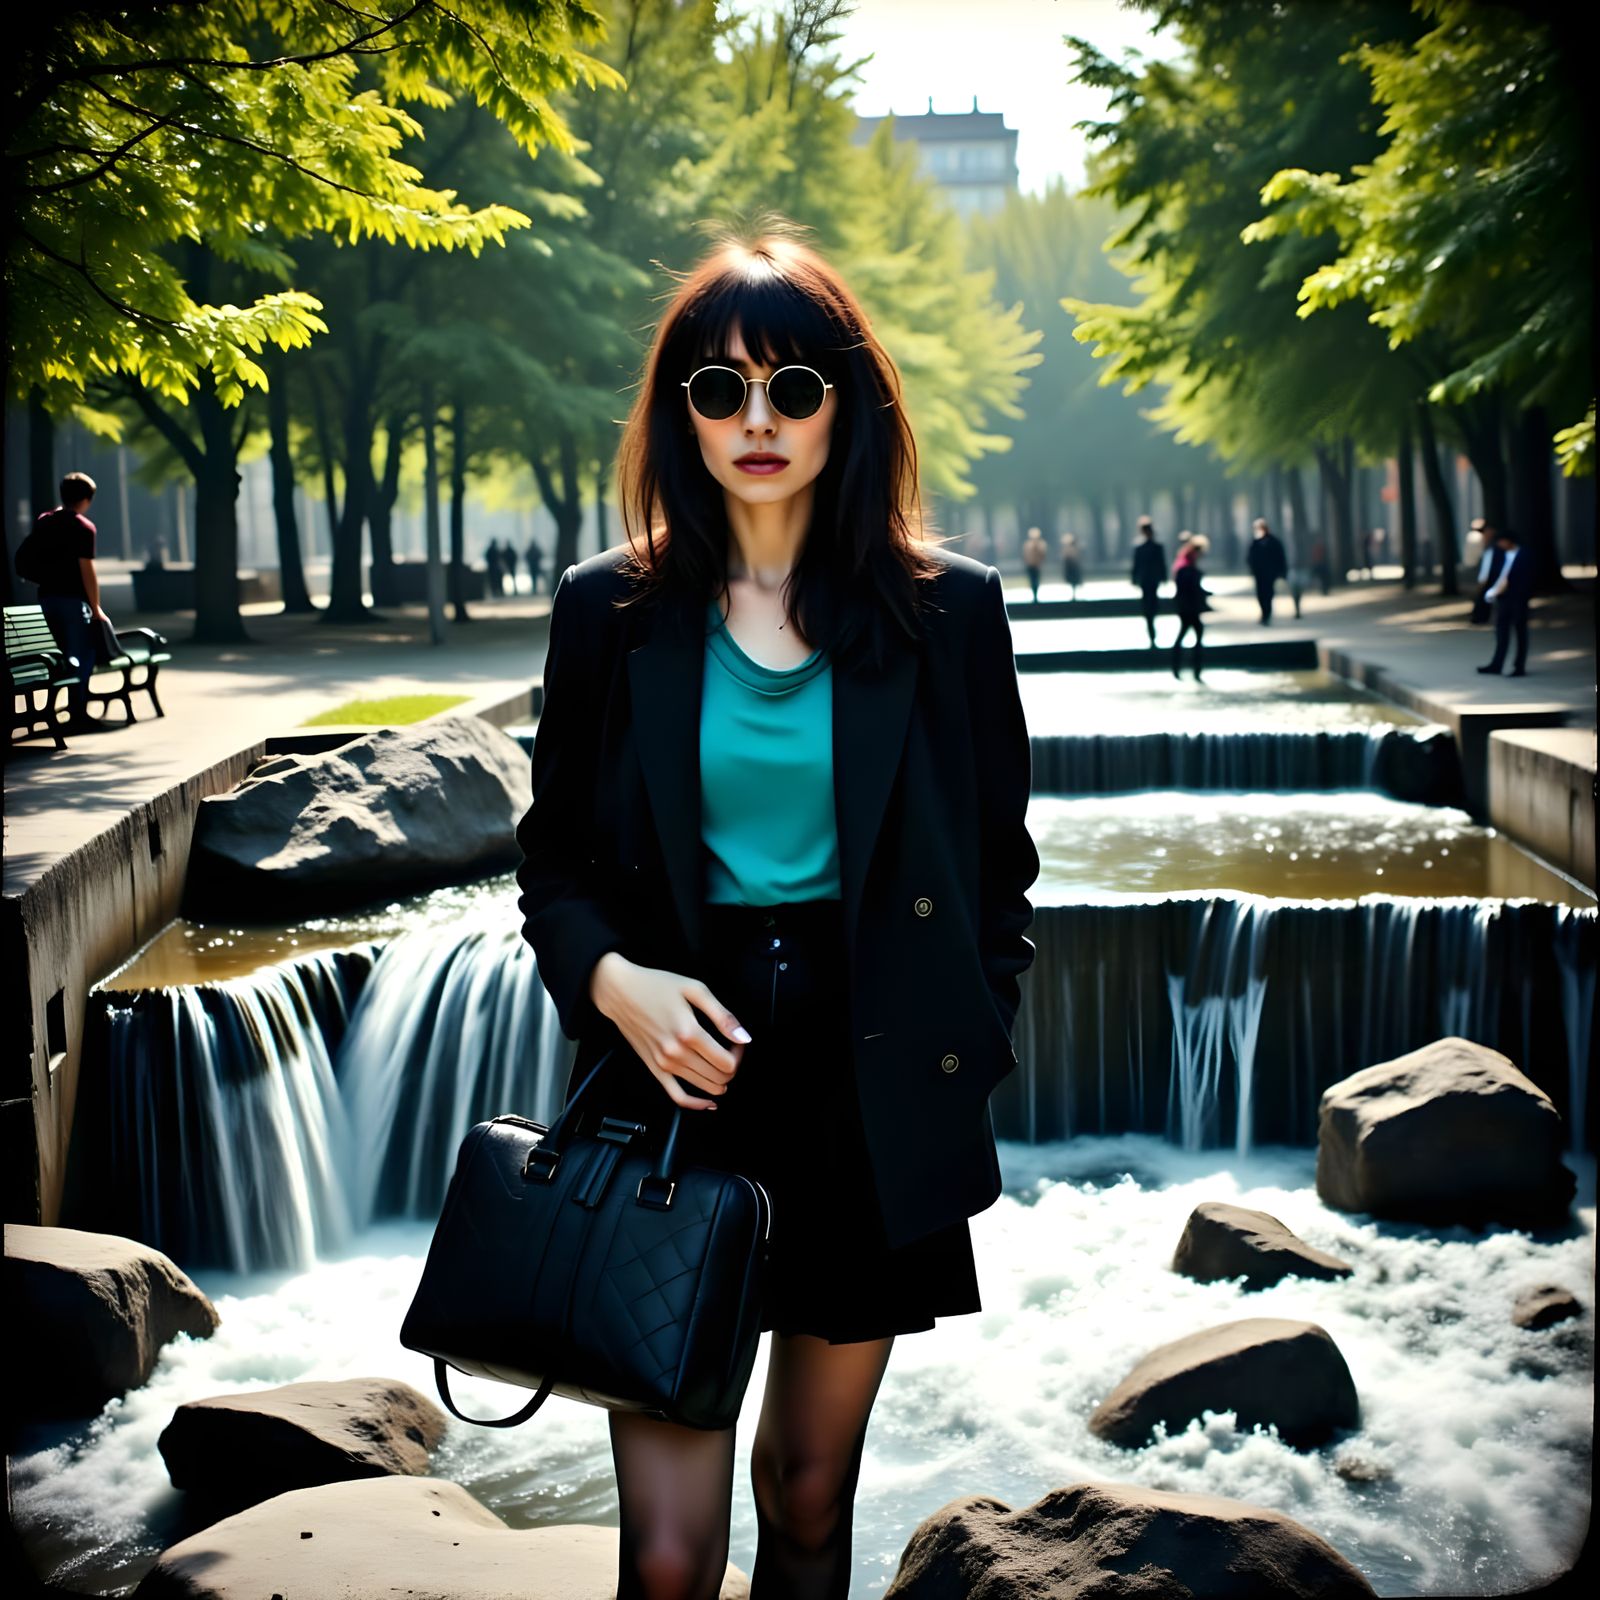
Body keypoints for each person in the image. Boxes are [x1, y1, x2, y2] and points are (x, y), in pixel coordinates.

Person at [514, 227, 1039, 1600]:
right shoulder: (606, 612)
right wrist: (614, 987)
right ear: (679, 411)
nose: (757, 420)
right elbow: (552, 862)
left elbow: (1000, 874)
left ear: (844, 407)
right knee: (674, 1559)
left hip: (867, 1100)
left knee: (808, 1505)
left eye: (792, 388)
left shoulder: (949, 614)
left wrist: (970, 1043)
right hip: (670, 1087)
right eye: (719, 389)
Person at [25, 471, 109, 731]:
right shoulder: (83, 527)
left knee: (60, 655)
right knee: (83, 654)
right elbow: (87, 571)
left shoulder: (44, 521)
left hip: (47, 598)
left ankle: (60, 710)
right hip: (73, 602)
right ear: (86, 499)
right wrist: (96, 608)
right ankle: (77, 712)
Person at [1477, 527, 1532, 676]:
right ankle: (1497, 664)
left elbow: (1526, 579)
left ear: (1508, 541)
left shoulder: (1524, 555)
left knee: (1520, 632)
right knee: (1501, 632)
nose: (1499, 544)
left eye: (1501, 541)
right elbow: (1499, 576)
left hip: (1518, 599)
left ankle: (1519, 666)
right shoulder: (1501, 555)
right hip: (1503, 599)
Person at [1171, 533, 1211, 681]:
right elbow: (1190, 588)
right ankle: (1193, 668)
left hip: (1186, 606)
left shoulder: (1184, 566)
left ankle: (1181, 667)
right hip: (1189, 607)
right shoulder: (1187, 568)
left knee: (1186, 634)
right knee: (1193, 635)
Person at [1130, 515, 1166, 647]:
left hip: (1146, 579)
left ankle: (1150, 626)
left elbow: (1136, 565)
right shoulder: (1156, 546)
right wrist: (1163, 577)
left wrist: (1134, 578)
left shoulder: (1141, 547)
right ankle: (1151, 627)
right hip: (1151, 579)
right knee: (1152, 603)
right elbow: (1161, 563)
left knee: (1148, 604)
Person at [1246, 517, 1288, 624]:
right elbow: (1250, 557)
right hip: (1259, 573)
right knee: (1260, 594)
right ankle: (1264, 612)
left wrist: (1282, 571)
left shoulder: (1274, 542)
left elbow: (1280, 557)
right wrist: (1252, 568)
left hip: (1270, 573)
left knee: (1269, 593)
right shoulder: (1255, 542)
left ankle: (1267, 614)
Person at [1468, 518, 1502, 625]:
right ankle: (1480, 617)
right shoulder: (1489, 546)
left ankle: (1481, 617)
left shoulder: (1493, 548)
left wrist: (1482, 579)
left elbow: (1486, 566)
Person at [1021, 525, 1047, 601]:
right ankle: (1034, 594)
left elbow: (1043, 555)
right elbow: (1025, 555)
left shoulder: (1041, 544)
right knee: (1032, 580)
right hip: (1030, 565)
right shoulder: (1027, 544)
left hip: (1037, 566)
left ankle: (1036, 595)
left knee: (1036, 580)